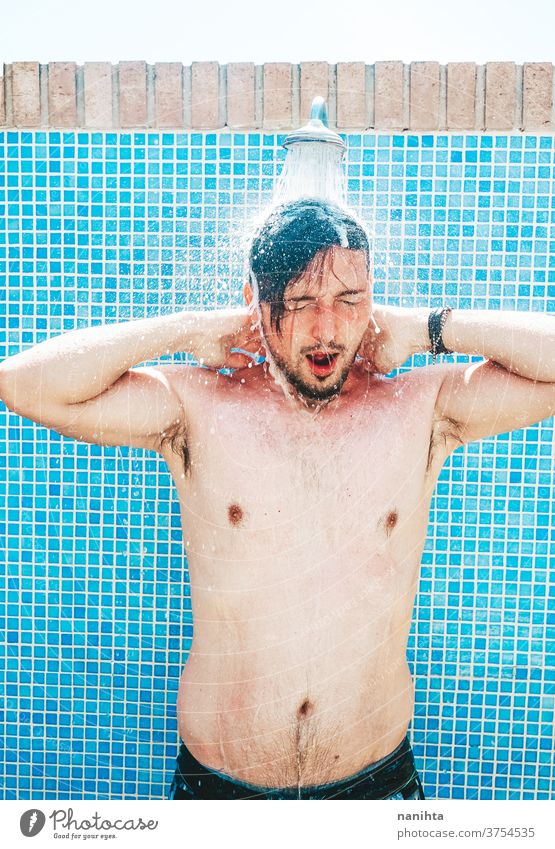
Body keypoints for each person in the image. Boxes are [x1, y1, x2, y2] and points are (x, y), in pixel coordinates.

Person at [1, 198, 553, 800]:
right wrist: (187, 329)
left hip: (374, 785)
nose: (327, 330)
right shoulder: (196, 409)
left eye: (349, 302)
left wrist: (430, 329)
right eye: (299, 304)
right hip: (222, 789)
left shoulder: (422, 409)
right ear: (257, 306)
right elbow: (24, 385)